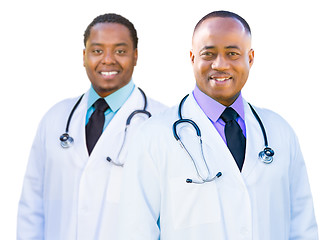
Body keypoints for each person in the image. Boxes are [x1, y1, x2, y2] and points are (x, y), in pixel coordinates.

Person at [118, 10, 318, 239]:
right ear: (193, 58)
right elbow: (135, 231)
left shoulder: (280, 133)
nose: (220, 64)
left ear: (250, 58)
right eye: (208, 54)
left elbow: (303, 227)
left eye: (232, 53)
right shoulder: (152, 136)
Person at [17, 13, 166, 240]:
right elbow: (32, 206)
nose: (108, 60)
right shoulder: (55, 119)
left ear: (135, 56)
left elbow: (176, 214)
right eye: (97, 51)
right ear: (84, 56)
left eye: (120, 51)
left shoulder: (162, 122)